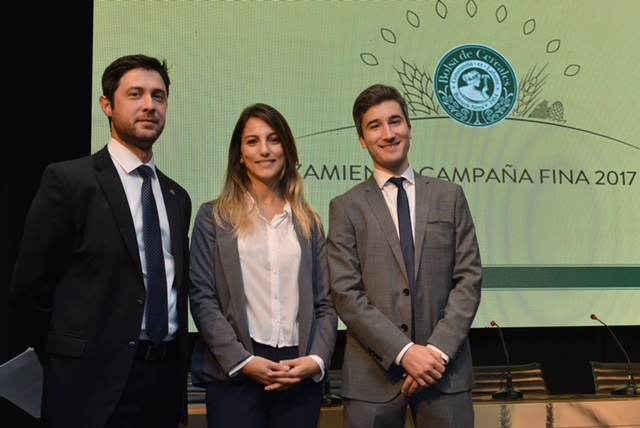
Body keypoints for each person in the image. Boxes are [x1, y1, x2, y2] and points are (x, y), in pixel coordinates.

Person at [10, 54, 192, 428]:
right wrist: (71, 352)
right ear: (107, 105)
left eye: (158, 96)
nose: (149, 105)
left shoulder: (177, 196)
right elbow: (29, 289)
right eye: (135, 94)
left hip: (164, 380)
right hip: (89, 384)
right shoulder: (70, 181)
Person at [327, 84, 482, 428]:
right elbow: (345, 293)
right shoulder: (346, 207)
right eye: (375, 126)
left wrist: (435, 353)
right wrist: (405, 352)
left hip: (445, 373)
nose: (388, 133)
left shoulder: (450, 196)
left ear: (409, 128)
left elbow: (469, 279)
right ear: (362, 140)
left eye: (395, 121)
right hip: (372, 378)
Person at [189, 103, 338, 428]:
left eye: (273, 139)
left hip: (299, 371)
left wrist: (316, 360)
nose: (265, 150)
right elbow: (202, 299)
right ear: (240, 155)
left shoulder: (309, 222)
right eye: (252, 141)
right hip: (235, 374)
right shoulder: (213, 218)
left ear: (286, 149)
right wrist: (242, 361)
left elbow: (326, 303)